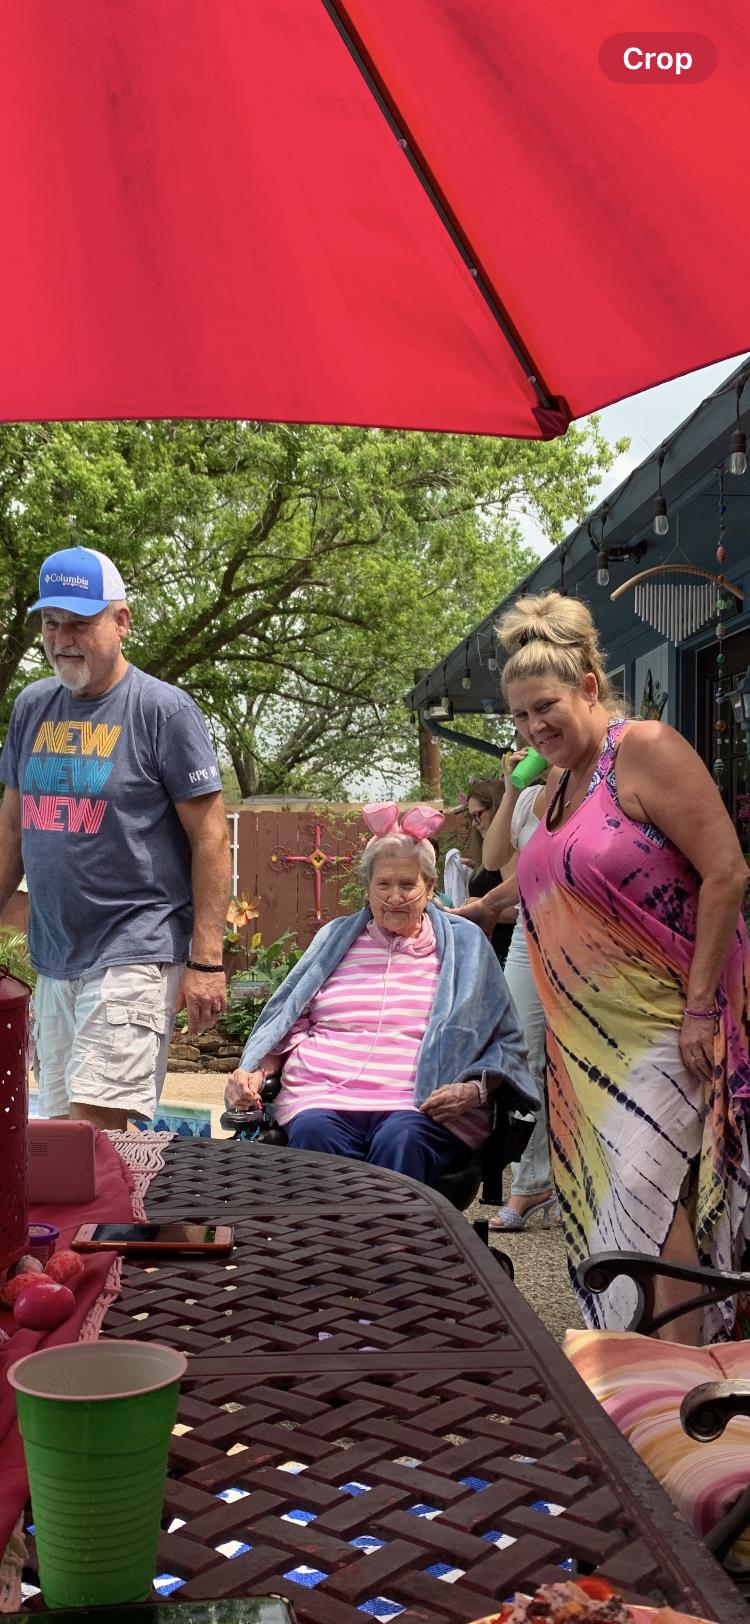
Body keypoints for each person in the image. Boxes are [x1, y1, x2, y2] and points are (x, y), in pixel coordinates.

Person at [488, 590, 750, 1342]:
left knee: (648, 1187)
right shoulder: (558, 785)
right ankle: (643, 1360)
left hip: (665, 1020)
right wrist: (487, 906)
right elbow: (531, 872)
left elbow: (726, 871)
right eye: (519, 717)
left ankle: (677, 1376)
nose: (534, 727)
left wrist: (702, 1007)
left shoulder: (645, 750)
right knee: (612, 1201)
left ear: (589, 689)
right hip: (582, 1040)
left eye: (545, 708)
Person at [0, 545, 231, 1131]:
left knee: (90, 1136)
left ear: (121, 621)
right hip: (54, 957)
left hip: (136, 947)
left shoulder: (163, 710)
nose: (62, 639)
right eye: (52, 624)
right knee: (54, 1139)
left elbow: (209, 836)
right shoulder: (31, 707)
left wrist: (206, 960)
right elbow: (10, 824)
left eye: (80, 623)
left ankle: (110, 1224)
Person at [225, 802, 536, 1184]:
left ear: (430, 888)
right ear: (368, 889)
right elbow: (291, 1020)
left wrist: (474, 1090)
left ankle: (392, 1244)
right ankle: (331, 1243)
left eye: (408, 884)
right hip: (323, 1094)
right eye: (383, 885)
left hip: (420, 1104)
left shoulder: (465, 945)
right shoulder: (335, 940)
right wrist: (257, 1071)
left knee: (401, 1139)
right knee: (313, 1134)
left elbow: (503, 1038)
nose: (395, 896)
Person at [479, 750, 562, 1232]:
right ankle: (531, 1183)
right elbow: (493, 860)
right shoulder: (528, 797)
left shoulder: (594, 788)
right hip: (529, 945)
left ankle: (580, 1183)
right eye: (524, 730)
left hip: (587, 946)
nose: (532, 742)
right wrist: (512, 789)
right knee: (520, 1056)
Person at [465, 779, 518, 967]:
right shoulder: (493, 853)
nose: (474, 823)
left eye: (477, 815)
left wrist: (478, 905)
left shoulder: (508, 848)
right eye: (471, 817)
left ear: (495, 807)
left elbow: (519, 911)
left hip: (507, 954)